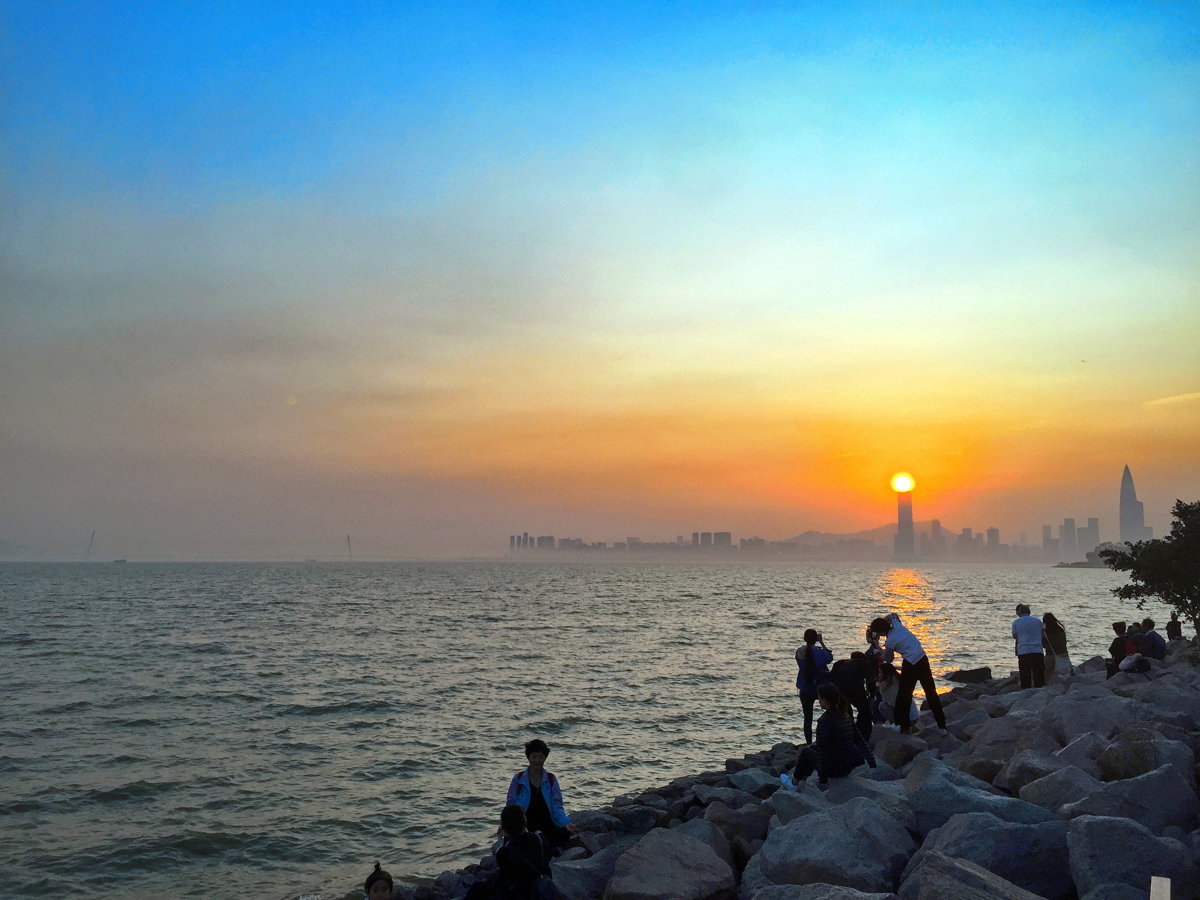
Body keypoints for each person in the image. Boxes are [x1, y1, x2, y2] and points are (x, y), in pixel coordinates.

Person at [869, 613, 946, 733]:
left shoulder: (890, 641)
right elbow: (893, 615)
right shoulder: (897, 625)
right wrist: (882, 622)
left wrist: (877, 645)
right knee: (931, 693)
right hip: (922, 658)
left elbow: (888, 659)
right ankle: (942, 726)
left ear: (880, 632)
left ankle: (901, 725)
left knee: (903, 696)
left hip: (911, 663)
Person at [790, 683, 877, 785]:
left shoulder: (824, 721)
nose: (819, 701)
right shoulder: (845, 716)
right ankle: (803, 780)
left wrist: (823, 778)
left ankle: (795, 782)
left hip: (835, 770)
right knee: (813, 748)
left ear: (825, 700)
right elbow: (860, 741)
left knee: (806, 752)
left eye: (819, 698)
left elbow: (823, 752)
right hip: (847, 767)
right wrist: (872, 763)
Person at [505, 740, 577, 850]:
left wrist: (566, 823)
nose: (537, 761)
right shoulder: (518, 779)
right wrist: (504, 825)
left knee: (564, 834)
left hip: (547, 825)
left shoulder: (551, 779)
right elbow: (510, 806)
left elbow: (557, 806)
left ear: (545, 758)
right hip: (525, 825)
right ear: (528, 757)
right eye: (534, 757)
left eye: (540, 757)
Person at [795, 628, 833, 744]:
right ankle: (826, 738)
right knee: (830, 712)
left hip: (805, 687)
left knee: (807, 718)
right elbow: (829, 658)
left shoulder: (799, 652)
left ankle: (808, 743)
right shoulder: (820, 652)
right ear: (816, 638)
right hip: (819, 687)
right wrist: (821, 642)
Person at [830, 652, 876, 739]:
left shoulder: (839, 664)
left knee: (845, 714)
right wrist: (872, 696)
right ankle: (863, 736)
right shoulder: (864, 664)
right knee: (865, 712)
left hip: (839, 691)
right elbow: (870, 682)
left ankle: (847, 734)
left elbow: (831, 679)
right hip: (854, 690)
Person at [873, 662, 918, 727]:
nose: (878, 675)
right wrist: (897, 668)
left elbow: (885, 701)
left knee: (882, 705)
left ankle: (894, 725)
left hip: (907, 720)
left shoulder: (885, 686)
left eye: (880, 672)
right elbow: (910, 672)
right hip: (915, 717)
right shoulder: (900, 680)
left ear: (885, 673)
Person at [1012, 604, 1046, 689]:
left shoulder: (1016, 622)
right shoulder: (1037, 621)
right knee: (1038, 673)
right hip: (1037, 650)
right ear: (1029, 612)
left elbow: (1015, 636)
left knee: (1025, 673)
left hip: (1024, 650)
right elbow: (1043, 635)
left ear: (1020, 612)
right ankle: (1039, 690)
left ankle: (1026, 690)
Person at [1041, 612, 1072, 679]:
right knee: (1064, 671)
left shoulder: (1045, 632)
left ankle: (1046, 687)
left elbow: (1043, 645)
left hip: (1050, 654)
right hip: (1063, 654)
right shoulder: (1061, 630)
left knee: (1047, 673)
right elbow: (1064, 642)